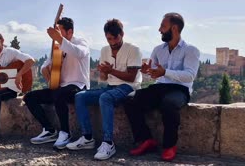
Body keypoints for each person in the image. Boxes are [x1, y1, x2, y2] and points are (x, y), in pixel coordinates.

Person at [124, 13, 200, 161]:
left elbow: (190, 75)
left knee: (169, 104)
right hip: (160, 87)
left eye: (163, 27)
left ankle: (169, 146)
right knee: (130, 100)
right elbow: (154, 72)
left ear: (174, 28)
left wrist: (165, 72)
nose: (159, 30)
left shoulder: (191, 50)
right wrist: (147, 70)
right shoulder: (158, 49)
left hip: (180, 89)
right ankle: (146, 140)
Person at [66, 18, 142, 160]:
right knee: (80, 96)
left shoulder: (133, 50)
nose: (112, 42)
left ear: (122, 34)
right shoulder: (105, 50)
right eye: (109, 39)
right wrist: (103, 71)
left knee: (105, 97)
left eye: (115, 38)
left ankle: (108, 142)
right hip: (111, 86)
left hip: (129, 87)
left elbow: (131, 77)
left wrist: (110, 70)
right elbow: (105, 78)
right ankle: (87, 137)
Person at [23, 17, 90, 149]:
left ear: (69, 32)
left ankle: (65, 132)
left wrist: (59, 39)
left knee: (60, 94)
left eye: (59, 32)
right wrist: (45, 70)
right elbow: (46, 64)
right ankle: (49, 130)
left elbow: (80, 53)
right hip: (60, 87)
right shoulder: (57, 46)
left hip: (78, 86)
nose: (56, 35)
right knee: (30, 97)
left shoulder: (81, 42)